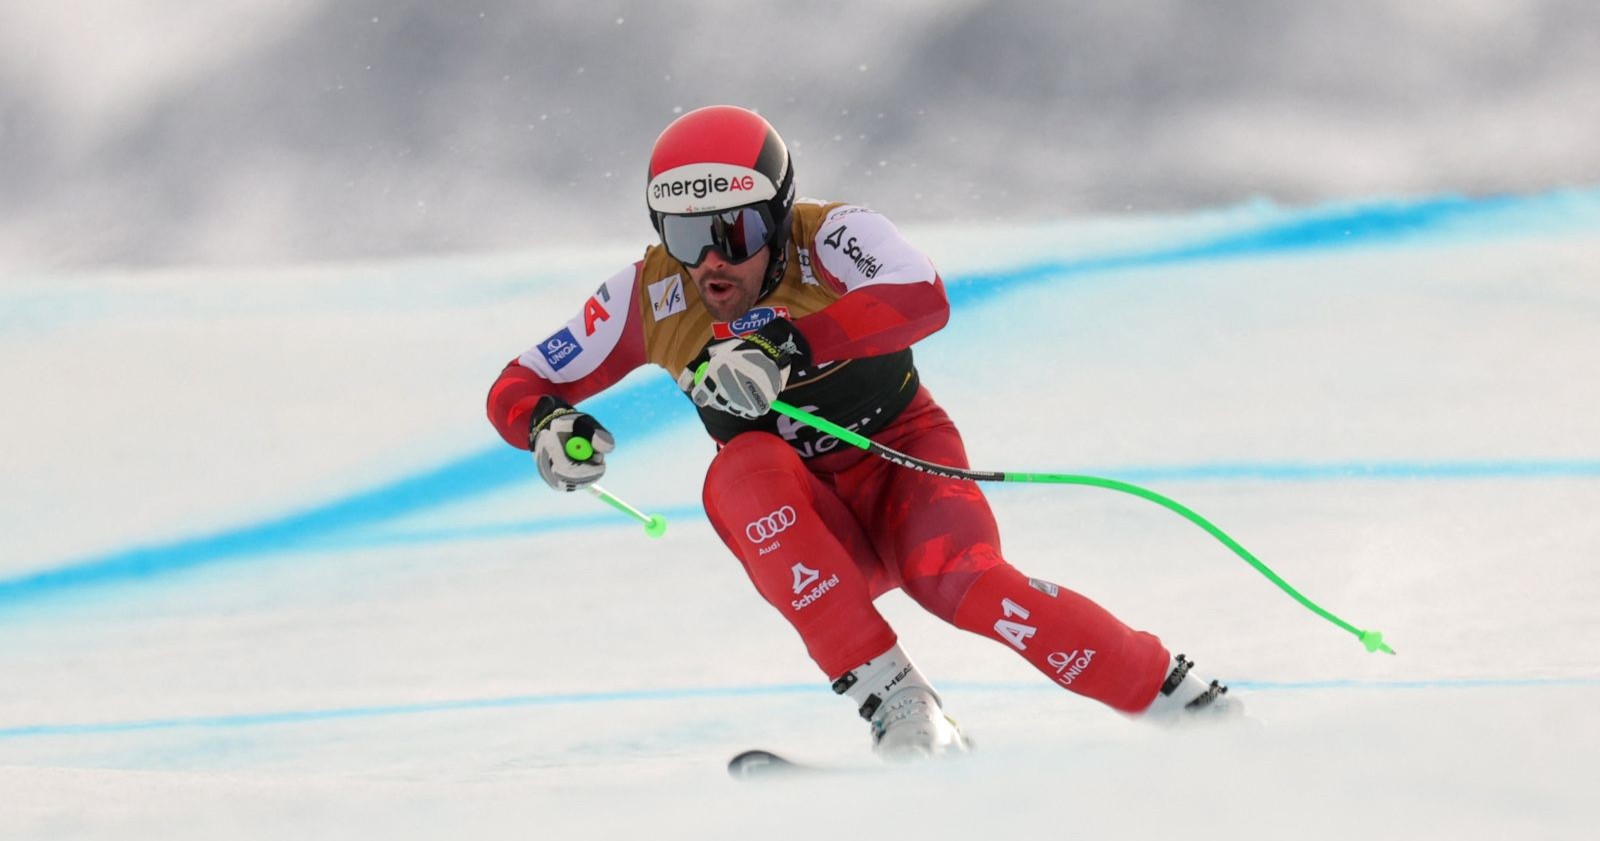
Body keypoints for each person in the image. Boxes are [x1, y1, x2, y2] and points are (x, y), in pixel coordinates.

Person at [486, 105, 1239, 761]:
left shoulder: (836, 234)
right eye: (687, 236)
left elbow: (923, 296)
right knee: (742, 467)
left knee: (966, 586)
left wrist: (792, 341)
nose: (713, 259)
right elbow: (519, 385)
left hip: (902, 462)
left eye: (738, 229)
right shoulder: (649, 292)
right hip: (812, 520)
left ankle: (1192, 706)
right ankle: (901, 706)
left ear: (779, 215)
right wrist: (548, 424)